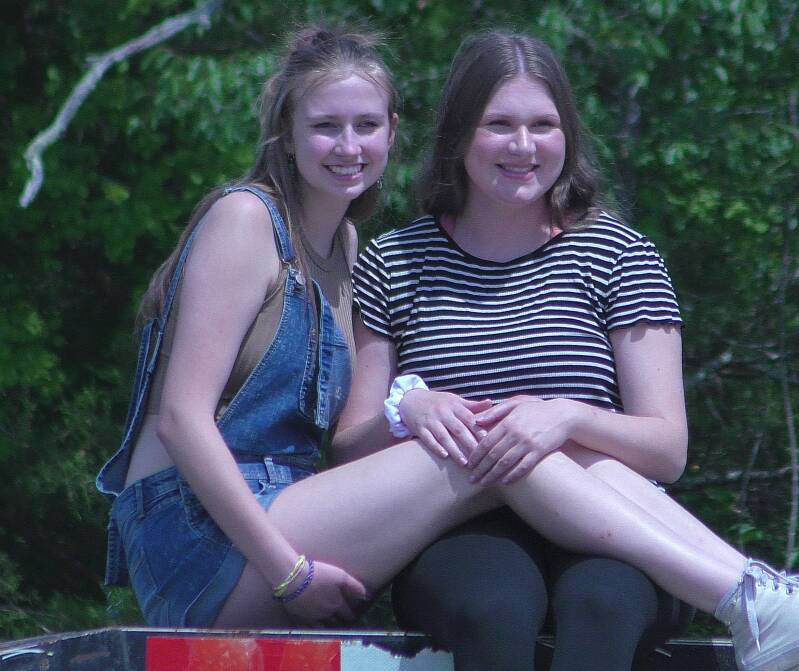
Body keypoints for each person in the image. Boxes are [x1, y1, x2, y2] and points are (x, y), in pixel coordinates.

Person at [95, 26, 797, 671]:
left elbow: (662, 444)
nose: (348, 146)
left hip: (283, 509)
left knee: (516, 437)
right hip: (203, 535)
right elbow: (180, 420)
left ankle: (755, 594)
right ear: (286, 132)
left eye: (366, 126)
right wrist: (291, 570)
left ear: (392, 132)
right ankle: (747, 596)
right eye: (325, 126)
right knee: (490, 439)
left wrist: (559, 415)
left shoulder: (341, 244)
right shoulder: (247, 219)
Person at [337, 31, 799, 671]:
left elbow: (667, 449)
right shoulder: (394, 261)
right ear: (458, 136)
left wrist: (568, 417)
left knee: (602, 606)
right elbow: (348, 451)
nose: (523, 146)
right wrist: (408, 411)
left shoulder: (620, 254)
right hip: (460, 528)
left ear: (569, 136)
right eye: (499, 125)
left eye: (543, 125)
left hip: (613, 520)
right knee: (493, 610)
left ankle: (760, 610)